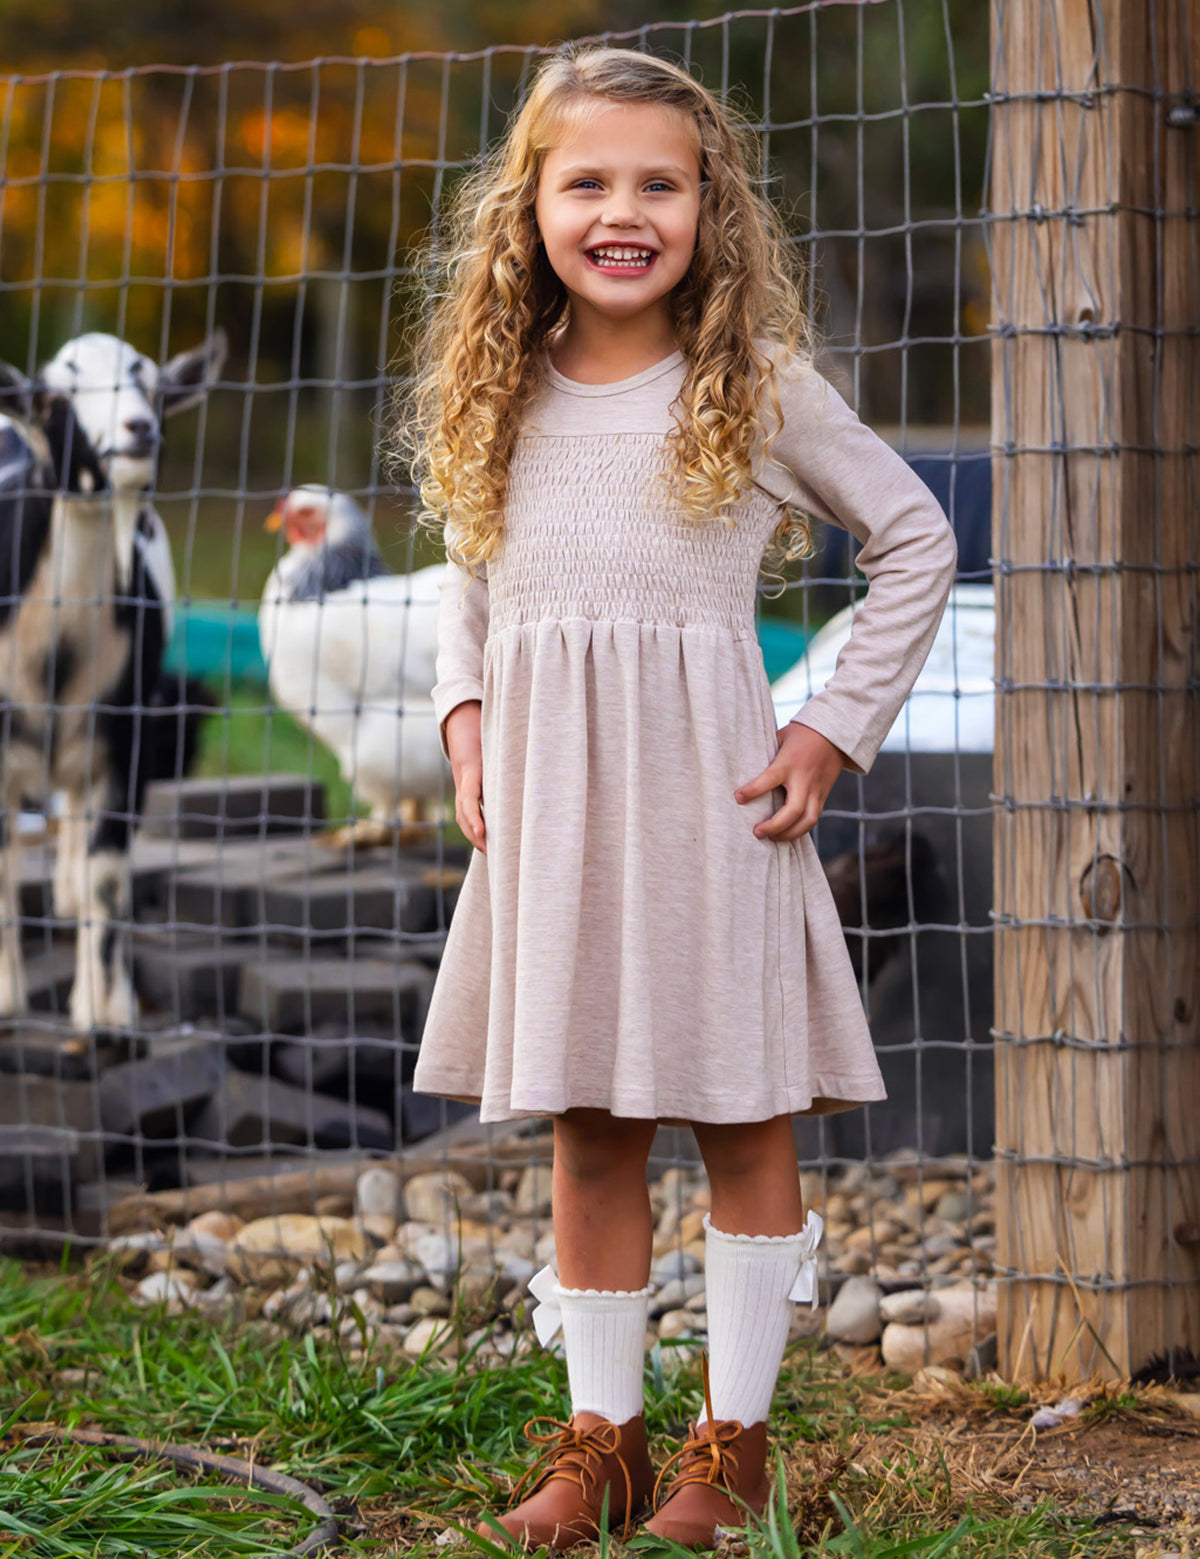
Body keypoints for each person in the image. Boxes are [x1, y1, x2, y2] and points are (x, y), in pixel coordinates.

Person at [402, 44, 956, 1553]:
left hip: (714, 811)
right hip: (552, 813)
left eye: (661, 182)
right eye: (588, 182)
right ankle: (610, 1444)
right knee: (589, 1126)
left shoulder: (756, 387)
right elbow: (472, 567)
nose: (623, 211)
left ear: (713, 208)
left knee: (740, 1119)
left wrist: (830, 733)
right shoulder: (499, 388)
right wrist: (464, 722)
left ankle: (739, 1447)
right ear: (529, 207)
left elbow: (916, 541)